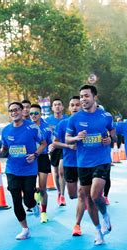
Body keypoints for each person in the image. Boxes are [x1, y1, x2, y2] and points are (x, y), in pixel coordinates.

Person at [66, 85, 114, 245]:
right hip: (83, 163)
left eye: (86, 96)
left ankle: (105, 215)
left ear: (94, 97)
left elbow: (113, 134)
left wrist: (110, 140)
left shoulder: (106, 116)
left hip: (102, 160)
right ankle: (98, 230)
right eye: (81, 96)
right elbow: (67, 139)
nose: (83, 99)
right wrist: (76, 138)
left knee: (95, 195)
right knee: (89, 200)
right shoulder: (74, 119)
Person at [0, 102, 46, 240]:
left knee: (28, 200)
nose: (14, 113)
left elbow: (43, 143)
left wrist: (35, 155)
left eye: (16, 110)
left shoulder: (32, 128)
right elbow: (5, 149)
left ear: (22, 111)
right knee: (16, 199)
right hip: (12, 169)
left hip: (29, 169)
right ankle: (25, 229)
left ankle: (34, 205)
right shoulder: (6, 130)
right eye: (11, 110)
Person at [52, 96, 85, 236]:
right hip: (70, 162)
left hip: (86, 162)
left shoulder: (88, 122)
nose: (75, 107)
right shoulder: (63, 124)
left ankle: (77, 224)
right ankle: (81, 199)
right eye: (72, 105)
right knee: (73, 195)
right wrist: (68, 146)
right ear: (69, 108)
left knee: (82, 193)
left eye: (78, 104)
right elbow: (55, 143)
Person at [30, 104, 53, 223]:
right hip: (30, 159)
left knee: (43, 188)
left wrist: (51, 147)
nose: (33, 116)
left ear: (40, 114)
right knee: (31, 187)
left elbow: (50, 143)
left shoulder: (47, 128)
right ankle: (35, 194)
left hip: (43, 157)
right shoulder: (26, 127)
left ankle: (43, 212)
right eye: (31, 114)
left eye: (36, 113)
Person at [45, 98, 68, 206]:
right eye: (55, 105)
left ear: (62, 107)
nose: (57, 106)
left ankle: (63, 195)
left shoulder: (67, 119)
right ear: (52, 108)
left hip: (64, 147)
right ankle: (59, 192)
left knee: (62, 171)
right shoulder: (48, 121)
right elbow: (46, 135)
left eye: (59, 104)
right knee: (55, 173)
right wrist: (49, 145)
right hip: (53, 148)